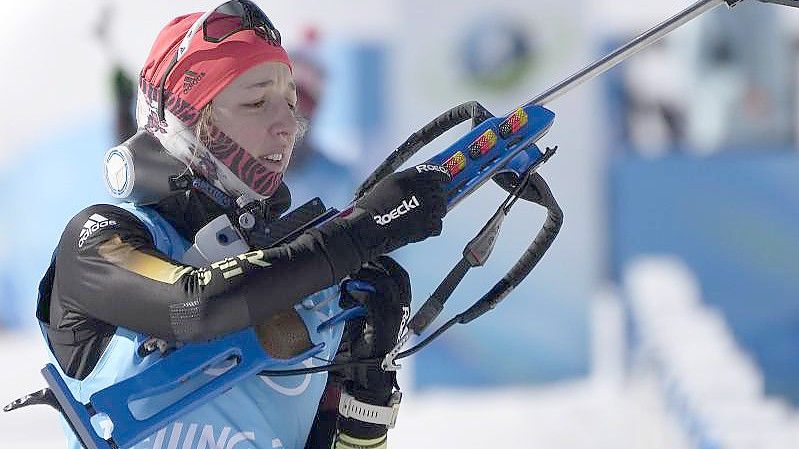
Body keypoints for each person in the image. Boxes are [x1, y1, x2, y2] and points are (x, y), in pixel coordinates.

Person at [33, 2, 449, 448]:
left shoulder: (316, 295)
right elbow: (193, 302)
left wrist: (367, 400)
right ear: (187, 117)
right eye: (256, 102)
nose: (289, 124)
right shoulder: (100, 238)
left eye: (291, 104)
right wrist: (358, 234)